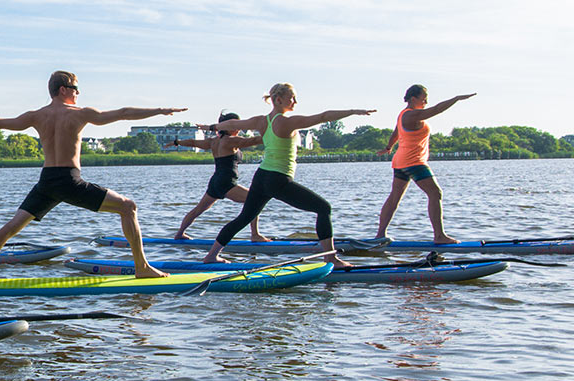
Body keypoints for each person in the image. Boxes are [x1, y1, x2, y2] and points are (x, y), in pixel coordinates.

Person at [0, 70, 183, 282]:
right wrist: (160, 110)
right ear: (64, 89)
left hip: (46, 181)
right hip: (69, 180)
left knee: (11, 227)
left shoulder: (36, 115)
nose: (78, 94)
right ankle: (142, 268)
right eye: (76, 89)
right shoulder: (79, 113)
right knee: (128, 207)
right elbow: (123, 113)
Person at [201, 83, 375, 266]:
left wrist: (212, 127)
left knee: (244, 217)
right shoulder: (287, 121)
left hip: (262, 177)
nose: (295, 102)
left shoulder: (261, 121)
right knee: (324, 209)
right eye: (292, 98)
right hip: (278, 179)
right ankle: (330, 258)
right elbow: (323, 116)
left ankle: (211, 256)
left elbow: (233, 124)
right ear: (278, 100)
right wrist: (353, 111)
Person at [375, 85, 476, 243]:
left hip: (401, 162)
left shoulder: (403, 114)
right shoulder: (412, 115)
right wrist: (456, 99)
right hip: (413, 162)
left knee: (394, 197)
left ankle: (380, 235)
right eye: (423, 99)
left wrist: (389, 147)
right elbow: (436, 109)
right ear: (413, 99)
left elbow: (396, 132)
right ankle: (439, 236)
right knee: (435, 193)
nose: (426, 102)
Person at [165, 112, 268, 242]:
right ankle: (255, 235)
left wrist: (177, 142)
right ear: (225, 126)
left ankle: (180, 233)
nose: (238, 128)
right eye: (235, 125)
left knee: (199, 209)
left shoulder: (213, 142)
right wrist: (276, 132)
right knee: (254, 200)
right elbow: (255, 140)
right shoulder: (231, 141)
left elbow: (193, 143)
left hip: (215, 182)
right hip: (227, 182)